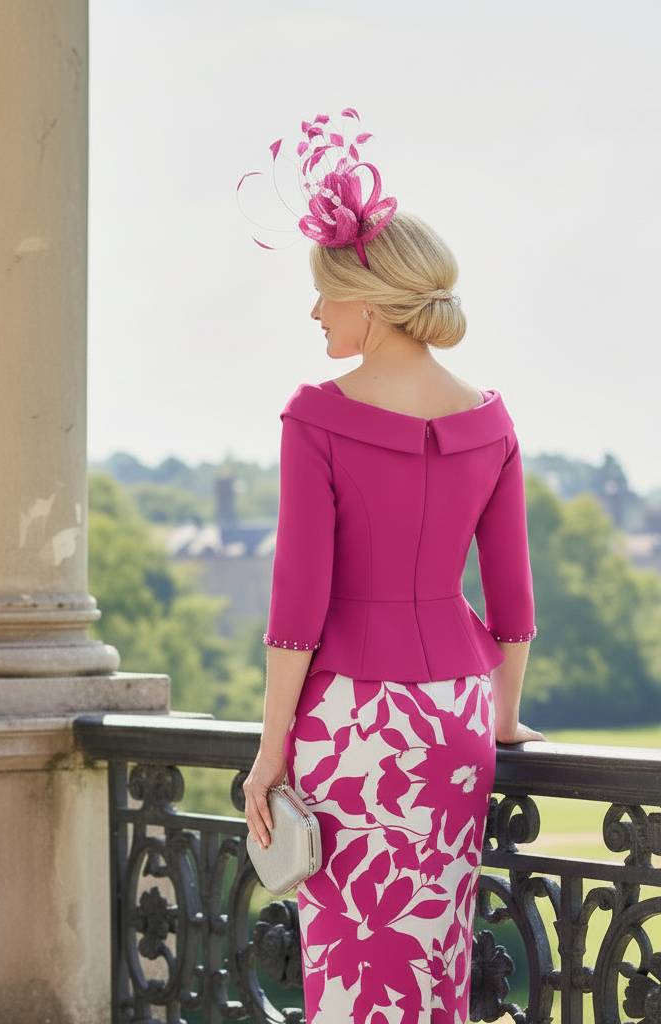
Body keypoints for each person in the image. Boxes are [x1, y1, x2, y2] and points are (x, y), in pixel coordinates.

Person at [242, 112, 544, 1024]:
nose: (315, 314)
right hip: (454, 718)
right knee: (435, 951)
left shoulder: (317, 417)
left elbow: (298, 602)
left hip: (350, 720)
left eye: (325, 297)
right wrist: (506, 716)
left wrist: (269, 749)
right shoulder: (489, 419)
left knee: (351, 953)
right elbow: (514, 600)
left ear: (367, 305)